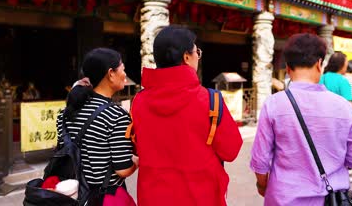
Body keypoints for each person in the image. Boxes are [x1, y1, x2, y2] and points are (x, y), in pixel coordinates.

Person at [131, 25, 243, 206]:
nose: (198, 56)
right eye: (196, 52)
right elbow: (230, 151)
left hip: (153, 198)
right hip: (201, 198)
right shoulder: (210, 100)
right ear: (186, 57)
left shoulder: (139, 102)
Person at [250, 33, 352, 205]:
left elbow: (260, 160)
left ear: (287, 67)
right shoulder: (344, 107)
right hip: (329, 199)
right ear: (319, 64)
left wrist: (263, 185)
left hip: (284, 198)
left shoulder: (273, 104)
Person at [56, 48, 138, 203]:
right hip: (104, 198)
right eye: (123, 69)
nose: (125, 74)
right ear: (111, 74)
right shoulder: (116, 115)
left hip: (74, 195)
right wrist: (137, 161)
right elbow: (123, 169)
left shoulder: (66, 112)